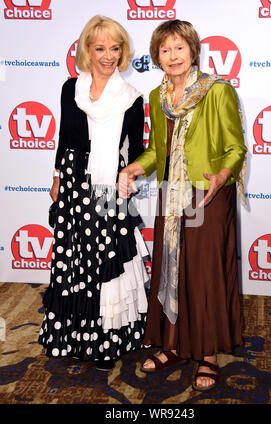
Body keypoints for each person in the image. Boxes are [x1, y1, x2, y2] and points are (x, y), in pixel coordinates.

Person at [118, 19, 247, 390]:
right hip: (171, 195)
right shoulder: (159, 100)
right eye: (165, 49)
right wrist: (134, 167)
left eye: (179, 47)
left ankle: (207, 353)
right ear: (157, 56)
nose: (173, 55)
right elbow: (158, 150)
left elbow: (235, 147)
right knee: (171, 268)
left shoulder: (216, 91)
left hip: (207, 193)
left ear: (193, 51)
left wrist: (223, 176)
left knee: (204, 274)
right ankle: (173, 344)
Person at [38, 15, 149, 371]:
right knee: (72, 259)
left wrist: (127, 185)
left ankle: (106, 340)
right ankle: (70, 336)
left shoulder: (131, 98)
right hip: (72, 183)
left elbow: (135, 151)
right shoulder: (69, 88)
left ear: (123, 51)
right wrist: (56, 176)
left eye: (115, 48)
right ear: (87, 49)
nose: (108, 55)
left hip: (108, 186)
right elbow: (65, 139)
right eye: (100, 48)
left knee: (105, 262)